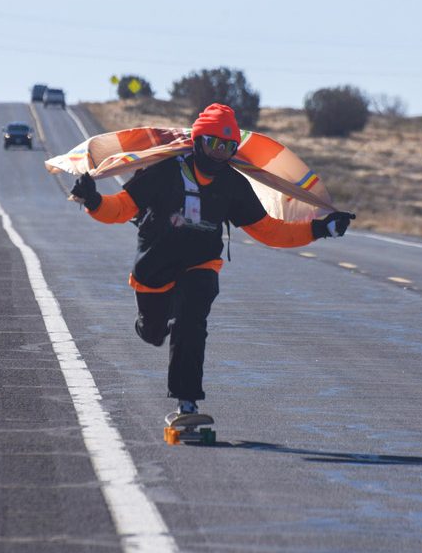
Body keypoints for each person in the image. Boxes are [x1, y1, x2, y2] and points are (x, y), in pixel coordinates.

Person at [70, 103, 354, 416]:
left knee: (191, 324)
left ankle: (187, 403)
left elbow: (269, 231)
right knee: (154, 334)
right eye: (216, 146)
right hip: (156, 263)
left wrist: (320, 228)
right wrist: (94, 200)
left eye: (229, 148)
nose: (221, 155)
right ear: (199, 141)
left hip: (202, 263)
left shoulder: (233, 184)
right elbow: (121, 208)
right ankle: (149, 326)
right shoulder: (164, 172)